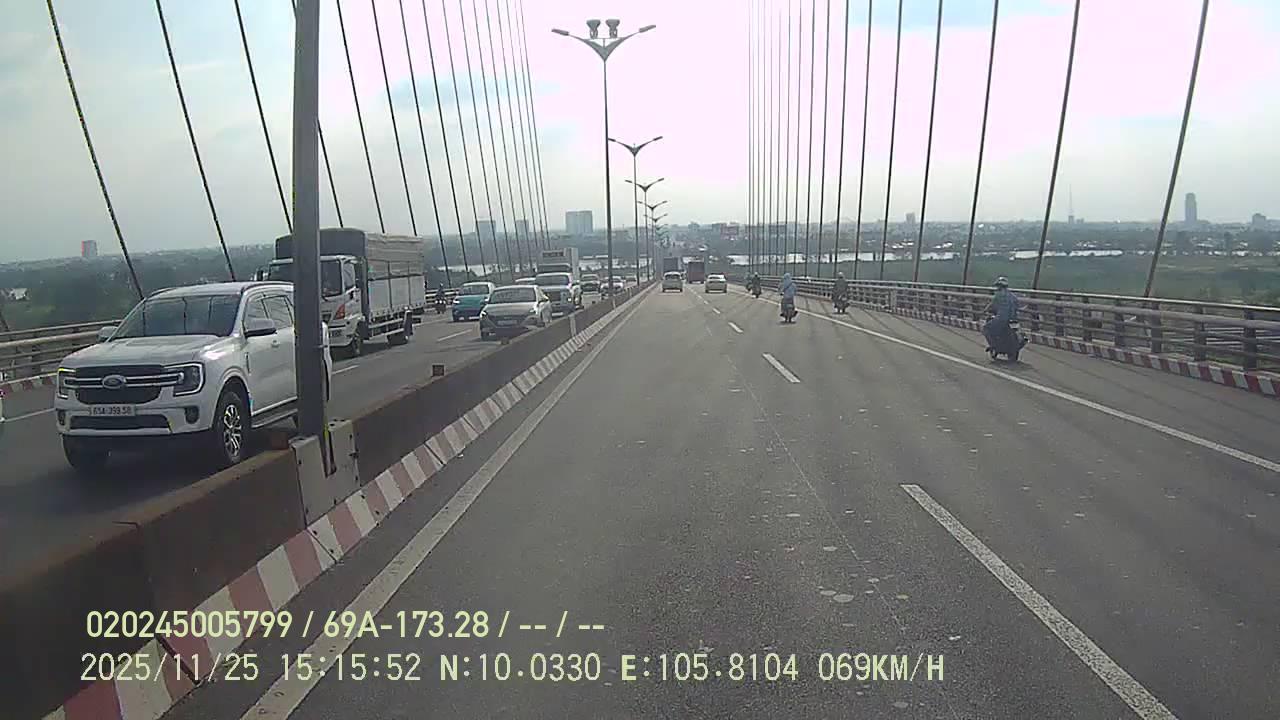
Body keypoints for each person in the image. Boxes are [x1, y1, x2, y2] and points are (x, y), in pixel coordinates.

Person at [983, 276, 1019, 351]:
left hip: (1001, 318)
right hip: (1013, 318)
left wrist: (985, 310)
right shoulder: (1012, 295)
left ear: (999, 286)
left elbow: (992, 305)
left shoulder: (998, 295)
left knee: (986, 328)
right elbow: (1017, 304)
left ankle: (993, 345)